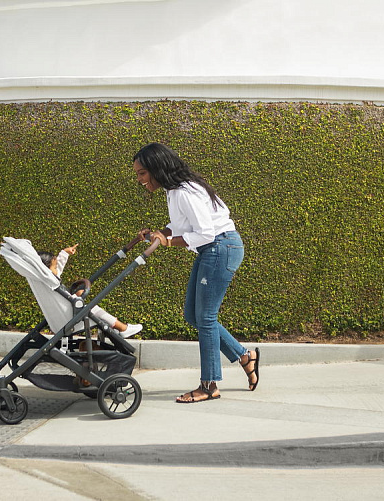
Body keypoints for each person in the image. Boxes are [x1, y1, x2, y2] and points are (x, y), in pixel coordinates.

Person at [133, 142, 259, 403]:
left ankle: (209, 385)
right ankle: (245, 356)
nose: (139, 179)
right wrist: (159, 234)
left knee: (206, 317)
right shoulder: (174, 191)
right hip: (214, 249)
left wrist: (168, 242)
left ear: (156, 168)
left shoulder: (184, 192)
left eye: (142, 173)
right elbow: (180, 225)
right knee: (194, 315)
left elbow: (205, 233)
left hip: (220, 247)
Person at [38, 244, 143, 338]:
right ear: (46, 270)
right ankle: (123, 328)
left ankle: (118, 327)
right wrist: (77, 297)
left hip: (62, 318)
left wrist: (65, 253)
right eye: (55, 267)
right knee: (92, 308)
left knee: (90, 308)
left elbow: (58, 281)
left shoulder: (45, 281)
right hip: (70, 320)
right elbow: (62, 300)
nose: (57, 270)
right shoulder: (50, 281)